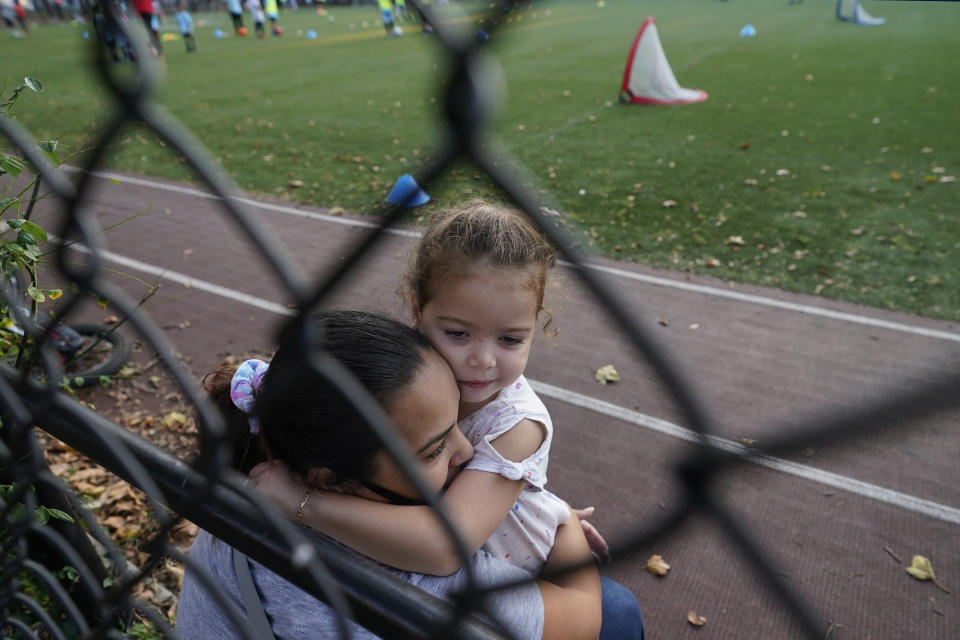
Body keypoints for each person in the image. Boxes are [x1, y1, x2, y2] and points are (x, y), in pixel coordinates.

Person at [254, 202, 644, 637]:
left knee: (615, 609)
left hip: (517, 566)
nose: (481, 360)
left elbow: (445, 547)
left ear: (536, 326)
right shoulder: (404, 378)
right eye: (458, 333)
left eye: (511, 339)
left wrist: (300, 502)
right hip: (460, 574)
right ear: (417, 311)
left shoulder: (519, 424)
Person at [176, 310, 603, 639]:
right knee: (618, 606)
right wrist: (563, 522)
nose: (467, 450)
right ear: (330, 481)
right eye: (434, 449)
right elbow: (584, 619)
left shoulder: (247, 478)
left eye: (459, 421)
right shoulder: (410, 577)